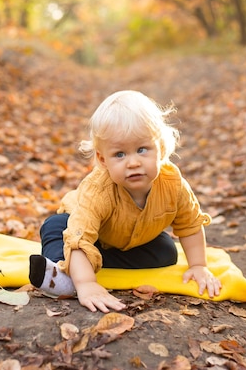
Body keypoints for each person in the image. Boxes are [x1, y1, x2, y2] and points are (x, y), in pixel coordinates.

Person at [29, 90, 221, 313]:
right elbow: (79, 238)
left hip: (131, 239)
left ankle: (93, 262)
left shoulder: (173, 183)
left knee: (167, 252)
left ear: (160, 148)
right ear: (103, 159)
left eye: (142, 150)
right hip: (81, 229)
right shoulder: (99, 189)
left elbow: (190, 225)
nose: (133, 163)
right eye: (120, 154)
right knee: (55, 226)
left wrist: (198, 266)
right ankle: (62, 273)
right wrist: (87, 284)